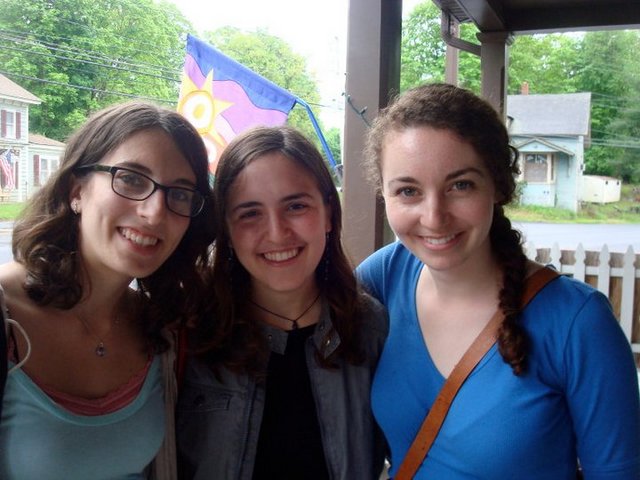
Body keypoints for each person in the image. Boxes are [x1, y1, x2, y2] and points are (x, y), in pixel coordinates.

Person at [357, 83, 640, 479]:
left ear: (498, 185)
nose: (434, 216)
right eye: (408, 191)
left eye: (460, 185)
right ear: (385, 195)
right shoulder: (385, 276)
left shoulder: (578, 323)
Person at [0, 101, 214, 479]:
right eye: (131, 178)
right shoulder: (9, 315)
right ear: (76, 191)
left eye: (179, 193)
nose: (154, 212)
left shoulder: (162, 332)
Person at [176, 125, 388, 480]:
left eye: (295, 205)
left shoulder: (370, 328)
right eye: (250, 213)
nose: (276, 233)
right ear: (225, 229)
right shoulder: (188, 331)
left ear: (329, 215)